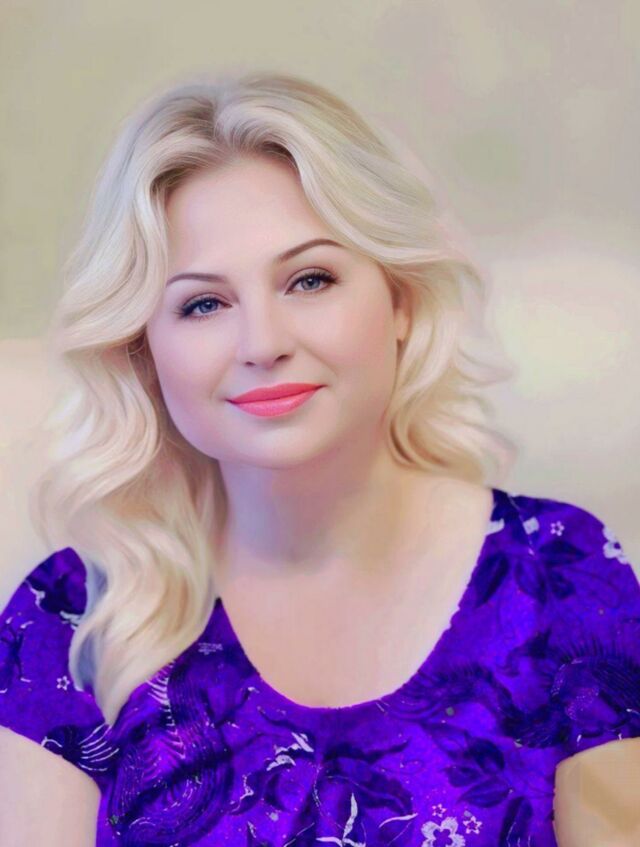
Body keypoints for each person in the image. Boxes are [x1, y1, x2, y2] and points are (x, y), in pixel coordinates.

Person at [0, 70, 638, 846]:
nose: (263, 342)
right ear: (145, 351)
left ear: (400, 301)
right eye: (203, 303)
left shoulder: (560, 580)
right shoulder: (70, 621)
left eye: (310, 279)